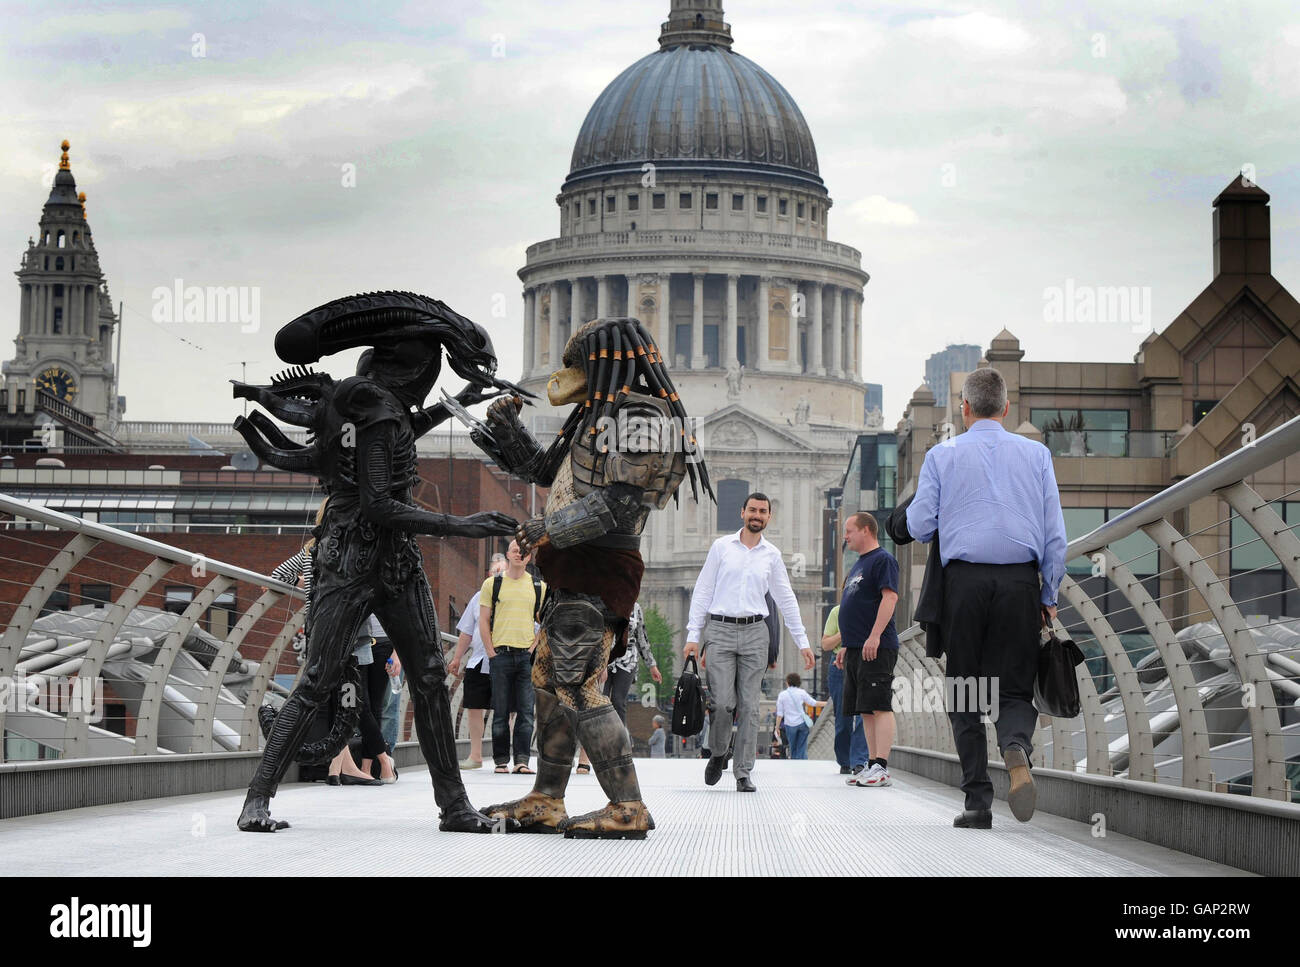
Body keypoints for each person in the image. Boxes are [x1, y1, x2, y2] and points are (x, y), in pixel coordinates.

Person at [233, 290, 519, 834]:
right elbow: (379, 503)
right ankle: (257, 799)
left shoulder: (364, 406)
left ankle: (453, 805)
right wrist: (464, 525)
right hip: (361, 554)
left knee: (429, 676)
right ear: (412, 367)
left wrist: (462, 397)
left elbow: (399, 437)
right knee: (323, 678)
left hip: (377, 556)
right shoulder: (379, 413)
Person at [477, 316, 712, 838]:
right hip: (571, 566)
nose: (568, 374)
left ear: (605, 362)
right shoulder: (599, 415)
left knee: (579, 685)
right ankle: (547, 797)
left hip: (600, 565)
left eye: (578, 362)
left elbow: (619, 503)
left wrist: (544, 527)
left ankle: (628, 807)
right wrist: (505, 430)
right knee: (550, 681)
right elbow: (551, 473)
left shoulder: (642, 417)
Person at [903, 367, 1067, 829]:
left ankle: (977, 802)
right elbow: (1055, 536)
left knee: (966, 689)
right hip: (1019, 583)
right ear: (1007, 408)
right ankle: (1015, 746)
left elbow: (918, 527)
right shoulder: (1036, 455)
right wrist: (1048, 593)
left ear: (965, 408)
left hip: (964, 586)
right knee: (1013, 686)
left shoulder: (942, 454)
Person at [683, 492, 814, 793]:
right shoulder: (721, 548)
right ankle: (718, 753)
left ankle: (743, 772)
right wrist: (693, 635)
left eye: (763, 511)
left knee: (750, 706)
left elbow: (786, 599)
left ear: (769, 517)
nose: (757, 515)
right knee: (723, 704)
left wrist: (802, 641)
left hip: (756, 632)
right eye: (752, 510)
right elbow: (703, 590)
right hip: (720, 630)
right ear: (742, 512)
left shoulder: (772, 556)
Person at [834, 512, 899, 788]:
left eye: (849, 531)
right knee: (865, 709)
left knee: (879, 705)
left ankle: (881, 766)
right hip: (856, 649)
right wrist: (847, 645)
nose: (845, 536)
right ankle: (871, 763)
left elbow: (890, 597)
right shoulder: (859, 564)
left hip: (877, 647)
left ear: (866, 530)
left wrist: (874, 636)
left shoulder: (883, 560)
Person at [480, 540, 544, 774]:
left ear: (530, 557)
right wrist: (490, 652)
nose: (520, 554)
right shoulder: (492, 584)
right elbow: (484, 620)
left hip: (526, 657)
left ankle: (522, 761)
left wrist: (533, 648)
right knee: (500, 710)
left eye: (524, 551)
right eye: (516, 550)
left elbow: (545, 622)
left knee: (527, 711)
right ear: (508, 554)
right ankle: (500, 761)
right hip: (500, 654)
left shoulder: (538, 586)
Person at [448, 554, 508, 769]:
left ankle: (503, 756)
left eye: (501, 570)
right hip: (478, 661)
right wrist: (456, 658)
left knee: (507, 709)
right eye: (494, 570)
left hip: (506, 660)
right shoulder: (478, 597)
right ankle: (476, 755)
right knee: (474, 706)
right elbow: (466, 631)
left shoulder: (517, 595)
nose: (497, 574)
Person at [821, 603, 870, 775]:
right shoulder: (837, 611)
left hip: (866, 659)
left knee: (865, 713)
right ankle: (845, 761)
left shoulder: (870, 608)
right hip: (839, 665)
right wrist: (845, 632)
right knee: (843, 717)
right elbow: (826, 644)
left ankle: (859, 760)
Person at [774, 672, 825, 760]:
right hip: (802, 723)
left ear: (787, 682)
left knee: (793, 747)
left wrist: (777, 727)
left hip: (789, 725)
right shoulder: (801, 693)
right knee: (802, 747)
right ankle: (803, 764)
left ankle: (795, 766)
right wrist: (829, 703)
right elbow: (814, 703)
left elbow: (780, 714)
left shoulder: (782, 695)